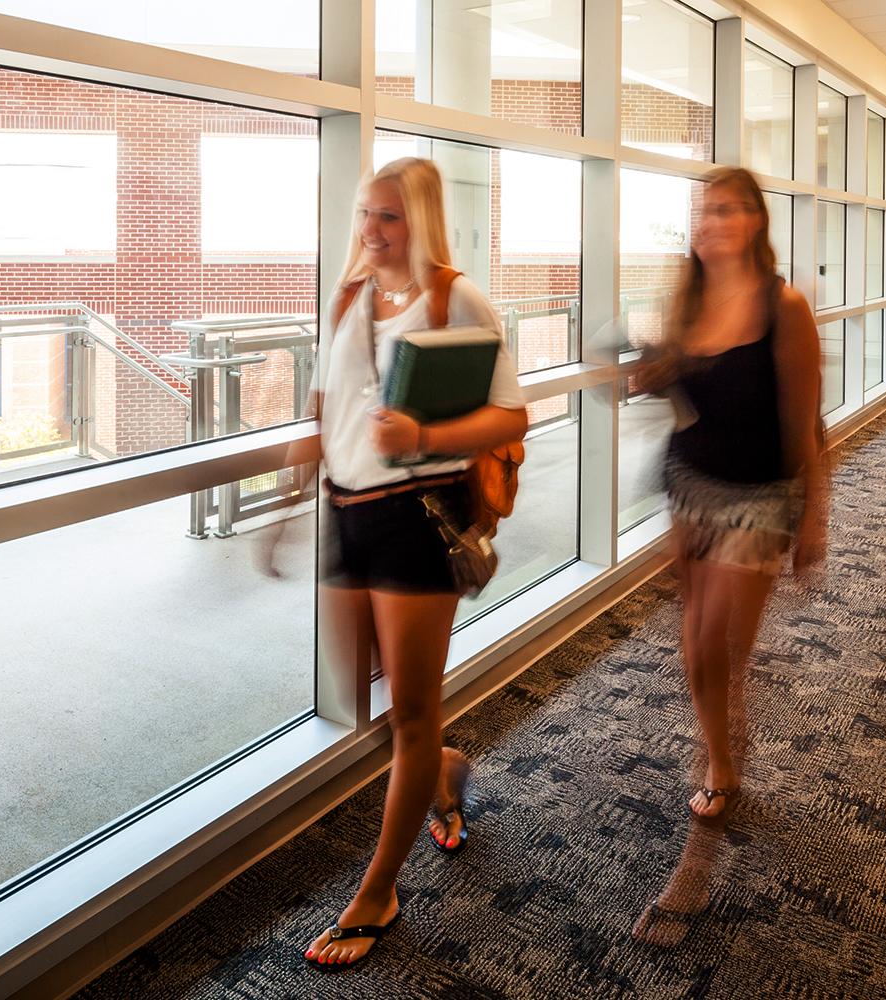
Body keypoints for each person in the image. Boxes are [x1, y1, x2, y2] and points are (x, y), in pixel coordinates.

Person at [261, 156, 528, 970]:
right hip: (345, 514)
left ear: (420, 221)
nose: (371, 233)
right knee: (355, 698)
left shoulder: (456, 299)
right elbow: (324, 407)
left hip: (415, 521)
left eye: (389, 218)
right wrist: (286, 502)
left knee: (411, 710)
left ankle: (378, 890)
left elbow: (512, 413)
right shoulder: (346, 296)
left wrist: (422, 438)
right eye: (365, 215)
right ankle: (443, 768)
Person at [635, 166, 828, 821]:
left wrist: (813, 523)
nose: (708, 223)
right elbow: (691, 399)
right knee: (694, 647)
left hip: (759, 497)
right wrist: (653, 376)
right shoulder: (685, 304)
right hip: (689, 486)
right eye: (702, 212)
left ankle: (722, 752)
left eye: (723, 210)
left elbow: (808, 426)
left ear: (753, 222)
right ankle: (721, 745)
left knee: (717, 644)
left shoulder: (785, 307)